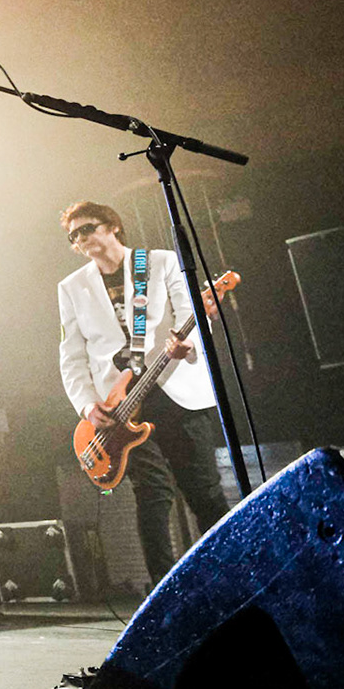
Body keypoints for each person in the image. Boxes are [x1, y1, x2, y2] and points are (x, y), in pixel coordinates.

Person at [57, 201, 230, 585]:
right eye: (74, 235)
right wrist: (87, 406)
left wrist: (189, 347)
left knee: (203, 490)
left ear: (112, 225)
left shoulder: (161, 262)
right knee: (152, 493)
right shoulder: (71, 288)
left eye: (87, 228)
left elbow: (192, 315)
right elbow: (71, 355)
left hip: (175, 386)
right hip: (120, 404)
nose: (81, 239)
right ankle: (163, 590)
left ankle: (231, 575)